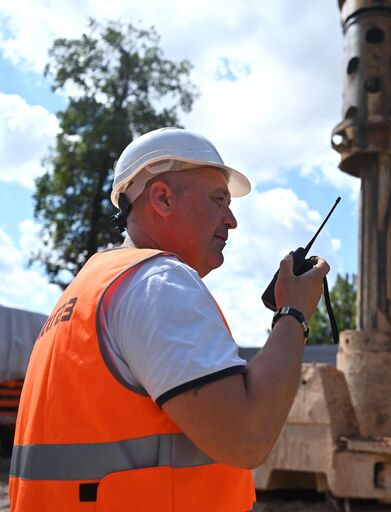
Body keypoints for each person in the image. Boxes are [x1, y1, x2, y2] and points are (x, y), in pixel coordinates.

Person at [9, 127, 329, 511]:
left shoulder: (90, 289)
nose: (231, 220)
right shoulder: (157, 283)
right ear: (162, 197)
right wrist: (293, 314)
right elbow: (247, 436)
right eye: (218, 200)